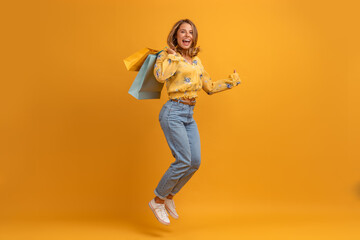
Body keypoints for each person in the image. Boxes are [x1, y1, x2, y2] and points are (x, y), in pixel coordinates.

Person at [148, 19, 241, 225]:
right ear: (176, 35)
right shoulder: (166, 55)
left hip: (189, 114)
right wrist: (172, 57)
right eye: (183, 32)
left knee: (195, 162)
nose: (187, 35)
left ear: (194, 37)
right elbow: (160, 76)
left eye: (191, 32)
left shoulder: (196, 61)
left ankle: (169, 197)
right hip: (173, 112)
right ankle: (157, 200)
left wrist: (231, 81)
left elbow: (208, 87)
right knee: (183, 160)